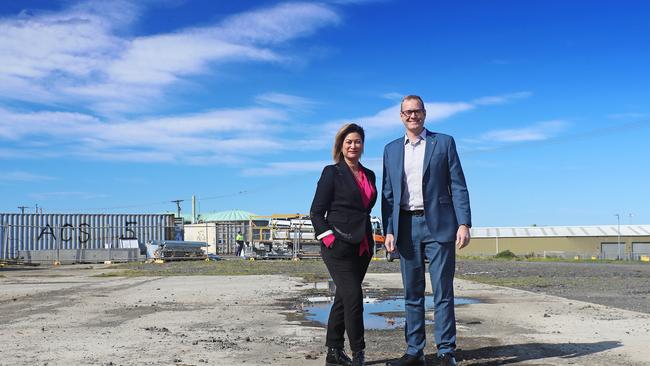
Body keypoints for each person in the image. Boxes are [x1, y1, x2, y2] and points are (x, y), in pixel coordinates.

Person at [382, 95, 471, 366]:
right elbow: (388, 194)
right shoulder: (391, 149)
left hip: (440, 226)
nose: (413, 116)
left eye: (417, 111)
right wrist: (389, 230)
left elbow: (458, 185)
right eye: (407, 112)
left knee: (443, 291)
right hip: (406, 227)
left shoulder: (444, 142)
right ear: (400, 116)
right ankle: (414, 351)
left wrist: (463, 222)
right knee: (412, 292)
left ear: (425, 113)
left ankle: (446, 351)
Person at [310, 123, 377, 366]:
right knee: (354, 296)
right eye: (348, 141)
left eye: (357, 141)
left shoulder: (369, 174)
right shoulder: (331, 172)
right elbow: (316, 212)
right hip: (338, 246)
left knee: (344, 298)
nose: (353, 145)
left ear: (362, 145)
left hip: (362, 246)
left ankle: (334, 352)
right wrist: (329, 239)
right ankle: (359, 353)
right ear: (341, 145)